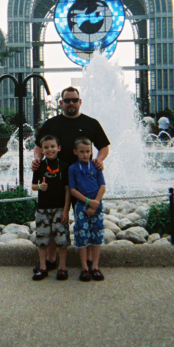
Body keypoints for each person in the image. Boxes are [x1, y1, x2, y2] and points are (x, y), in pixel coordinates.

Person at [32, 86, 110, 272]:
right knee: (56, 219)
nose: (71, 103)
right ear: (61, 103)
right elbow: (38, 146)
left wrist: (98, 160)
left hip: (85, 184)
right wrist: (37, 159)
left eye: (74, 100)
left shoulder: (91, 123)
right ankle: (51, 259)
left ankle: (90, 261)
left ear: (80, 101)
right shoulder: (51, 123)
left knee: (88, 218)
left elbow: (104, 147)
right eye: (67, 100)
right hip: (56, 181)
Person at [31, 135, 71, 281]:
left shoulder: (65, 166)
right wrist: (40, 187)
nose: (50, 150)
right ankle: (43, 267)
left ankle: (62, 267)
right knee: (42, 238)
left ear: (59, 148)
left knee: (61, 239)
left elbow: (68, 190)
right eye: (46, 147)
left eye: (53, 146)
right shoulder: (39, 166)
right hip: (43, 208)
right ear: (42, 150)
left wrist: (66, 209)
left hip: (60, 208)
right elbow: (33, 186)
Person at [69, 137, 106, 282]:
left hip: (97, 204)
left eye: (88, 151)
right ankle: (84, 267)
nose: (85, 154)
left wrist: (95, 202)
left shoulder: (96, 167)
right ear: (75, 152)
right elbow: (72, 190)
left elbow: (102, 186)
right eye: (82, 152)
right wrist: (88, 202)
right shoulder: (73, 169)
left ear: (92, 151)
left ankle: (95, 266)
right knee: (82, 236)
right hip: (81, 206)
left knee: (96, 235)